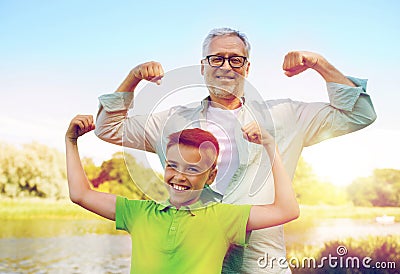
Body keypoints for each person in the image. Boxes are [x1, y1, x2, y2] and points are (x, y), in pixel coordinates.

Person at [94, 27, 377, 273]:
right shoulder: (171, 121)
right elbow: (108, 128)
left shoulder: (285, 115)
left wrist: (319, 64)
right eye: (216, 58)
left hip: (261, 263)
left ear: (247, 68)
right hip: (195, 262)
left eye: (235, 59)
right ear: (203, 66)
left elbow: (359, 114)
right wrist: (132, 78)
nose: (226, 66)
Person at [65, 114, 299, 274]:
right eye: (173, 165)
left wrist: (271, 147)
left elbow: (287, 210)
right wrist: (71, 141)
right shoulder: (138, 213)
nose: (180, 176)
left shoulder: (222, 217)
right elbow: (81, 194)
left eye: (193, 169)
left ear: (210, 175)